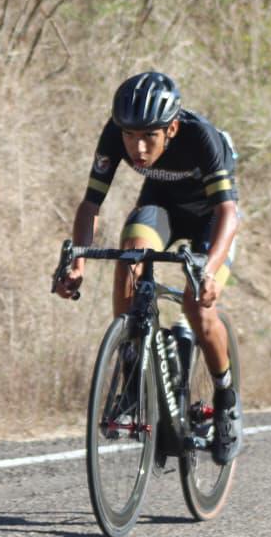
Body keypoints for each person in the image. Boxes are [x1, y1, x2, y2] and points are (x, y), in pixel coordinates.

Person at [54, 70, 243, 463]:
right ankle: (131, 371)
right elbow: (91, 203)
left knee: (197, 306)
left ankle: (226, 399)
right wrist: (79, 262)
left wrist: (209, 269)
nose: (137, 148)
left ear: (171, 128)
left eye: (148, 137)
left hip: (212, 218)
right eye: (129, 136)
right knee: (131, 253)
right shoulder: (115, 133)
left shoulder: (200, 137)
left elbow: (227, 210)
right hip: (163, 207)